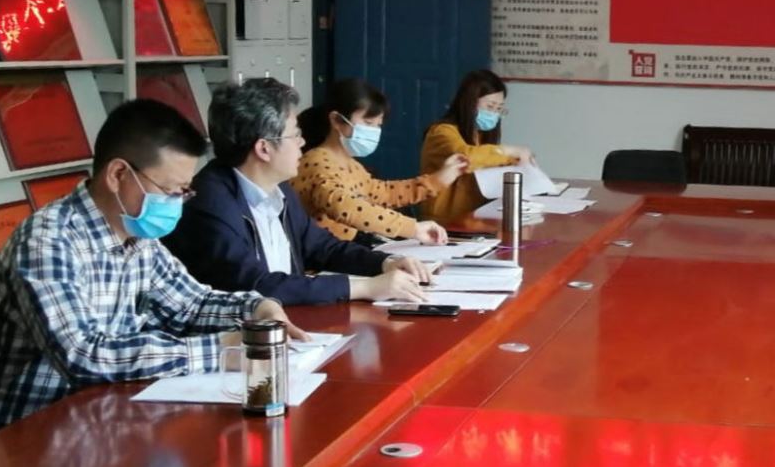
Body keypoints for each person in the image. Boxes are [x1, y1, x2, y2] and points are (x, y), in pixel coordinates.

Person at [0, 99, 304, 433]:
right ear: (118, 174)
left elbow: (190, 305)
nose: (178, 203)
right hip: (16, 434)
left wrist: (257, 307)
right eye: (171, 190)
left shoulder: (137, 236)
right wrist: (222, 350)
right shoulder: (48, 241)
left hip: (100, 416)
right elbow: (82, 355)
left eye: (184, 192)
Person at [166, 78, 435, 306]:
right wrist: (366, 287)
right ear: (264, 149)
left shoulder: (278, 187)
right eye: (295, 135)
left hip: (291, 326)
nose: (303, 142)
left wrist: (385, 263)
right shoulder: (210, 203)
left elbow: (322, 247)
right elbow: (258, 286)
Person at [292, 78, 468, 244]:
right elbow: (346, 207)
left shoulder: (352, 165)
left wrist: (437, 180)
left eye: (378, 125)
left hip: (343, 252)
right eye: (368, 123)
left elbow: (384, 193)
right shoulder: (316, 163)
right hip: (319, 260)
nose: (374, 131)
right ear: (337, 120)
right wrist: (411, 228)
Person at [419, 70, 535, 223]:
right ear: (469, 103)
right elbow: (466, 156)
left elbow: (490, 159)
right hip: (444, 221)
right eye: (490, 106)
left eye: (499, 108)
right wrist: (509, 151)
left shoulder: (480, 135)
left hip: (475, 216)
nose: (494, 114)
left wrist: (518, 161)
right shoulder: (441, 132)